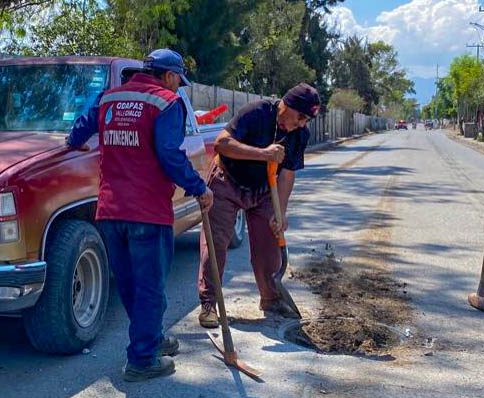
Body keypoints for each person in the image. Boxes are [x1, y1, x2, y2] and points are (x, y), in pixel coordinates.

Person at [67, 49, 213, 380]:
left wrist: (72, 142)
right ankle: (142, 359)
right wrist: (199, 187)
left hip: (109, 211)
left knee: (132, 285)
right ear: (171, 75)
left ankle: (152, 338)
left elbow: (79, 131)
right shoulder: (166, 102)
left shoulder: (109, 97)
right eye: (179, 82)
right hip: (148, 212)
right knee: (149, 286)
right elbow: (170, 156)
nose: (179, 88)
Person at [197, 83, 320, 328]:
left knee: (269, 246)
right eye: (301, 117)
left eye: (307, 120)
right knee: (216, 243)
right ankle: (210, 303)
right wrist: (263, 154)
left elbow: (287, 173)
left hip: (264, 189)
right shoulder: (257, 112)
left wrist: (279, 212)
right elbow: (222, 144)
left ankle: (271, 298)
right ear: (287, 105)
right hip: (227, 181)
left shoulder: (299, 135)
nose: (302, 124)